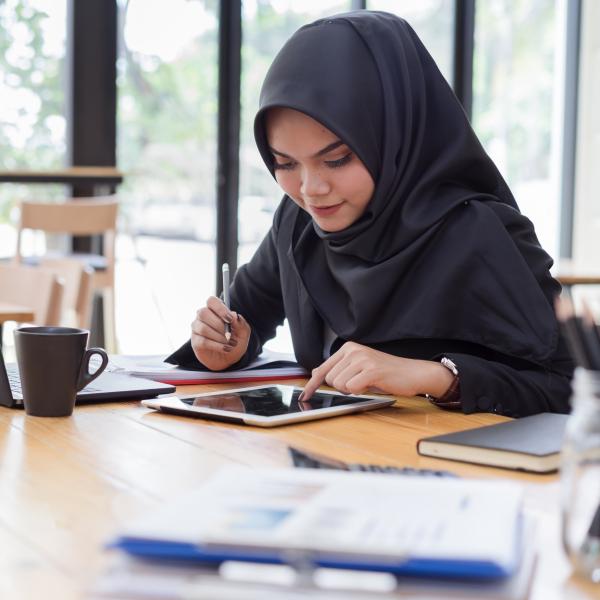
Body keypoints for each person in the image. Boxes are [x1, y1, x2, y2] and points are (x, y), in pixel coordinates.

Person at [168, 10, 573, 417]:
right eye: (285, 164)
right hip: (329, 461)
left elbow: (572, 387)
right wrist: (226, 347)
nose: (310, 189)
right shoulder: (298, 224)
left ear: (393, 138)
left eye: (337, 159)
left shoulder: (479, 233)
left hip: (450, 470)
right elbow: (245, 320)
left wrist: (436, 376)